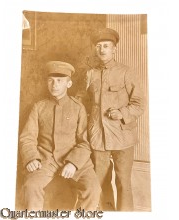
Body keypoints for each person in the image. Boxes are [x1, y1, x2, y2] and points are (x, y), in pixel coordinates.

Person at [77, 28, 144, 211]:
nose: (102, 49)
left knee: (123, 181)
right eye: (98, 46)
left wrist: (122, 113)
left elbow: (139, 104)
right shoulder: (89, 74)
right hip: (98, 136)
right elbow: (81, 103)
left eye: (106, 46)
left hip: (123, 136)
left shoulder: (126, 72)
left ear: (114, 48)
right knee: (100, 182)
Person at [19, 61, 101, 211]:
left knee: (93, 189)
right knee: (31, 186)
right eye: (50, 80)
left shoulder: (78, 108)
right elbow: (27, 137)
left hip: (75, 158)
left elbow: (84, 142)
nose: (54, 85)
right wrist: (31, 158)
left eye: (59, 81)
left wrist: (74, 163)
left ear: (69, 84)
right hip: (46, 159)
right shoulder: (39, 107)